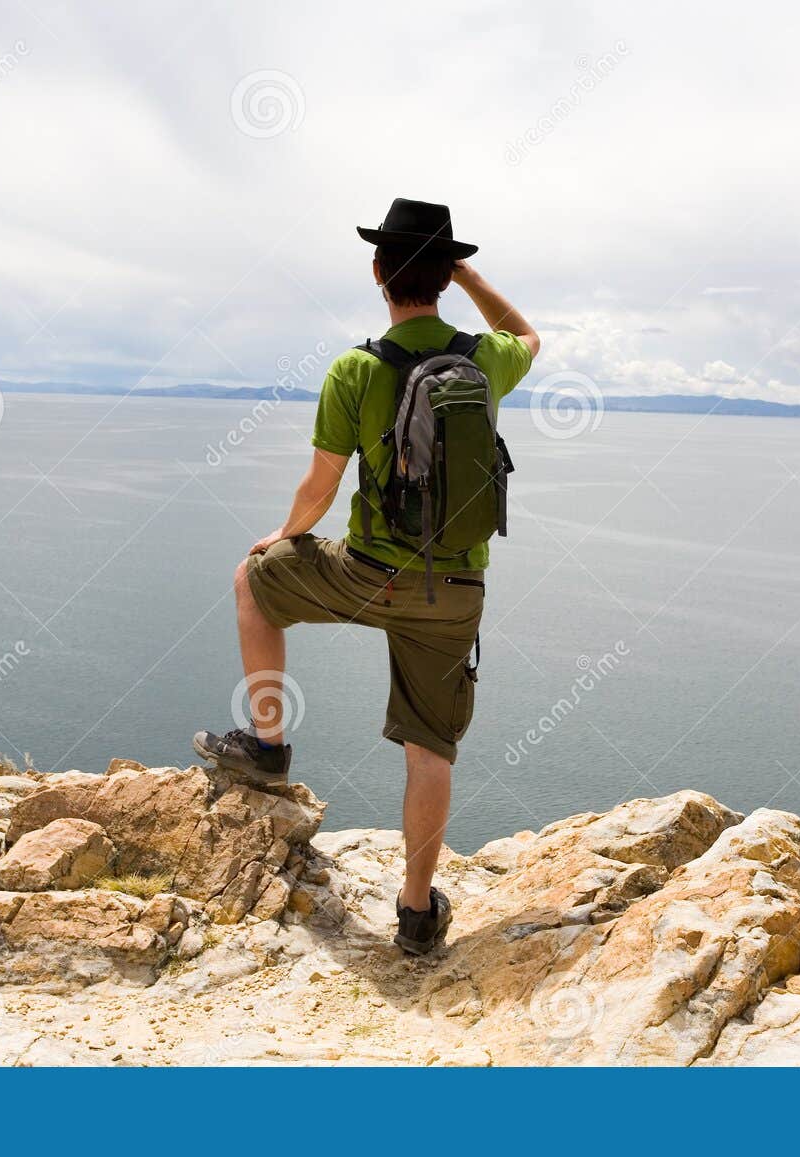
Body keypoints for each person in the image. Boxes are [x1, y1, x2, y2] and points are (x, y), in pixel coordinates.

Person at [194, 197, 539, 954]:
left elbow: (319, 486)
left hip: (364, 573)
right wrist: (468, 274)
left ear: (379, 273)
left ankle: (269, 746)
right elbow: (527, 333)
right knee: (431, 750)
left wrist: (282, 537)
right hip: (455, 592)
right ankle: (417, 913)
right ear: (445, 278)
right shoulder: (485, 360)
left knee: (253, 583)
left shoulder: (355, 368)